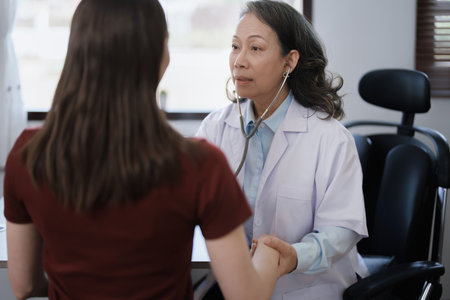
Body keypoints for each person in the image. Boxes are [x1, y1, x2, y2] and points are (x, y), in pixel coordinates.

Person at [3, 0, 284, 299]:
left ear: (77, 51)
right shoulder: (201, 165)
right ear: (161, 56)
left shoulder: (28, 154)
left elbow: (24, 285)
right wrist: (268, 253)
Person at [196, 0, 368, 299]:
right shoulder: (215, 128)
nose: (239, 60)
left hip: (307, 288)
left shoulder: (330, 139)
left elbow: (341, 230)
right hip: (236, 285)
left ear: (289, 62)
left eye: (256, 48)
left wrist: (294, 255)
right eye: (235, 47)